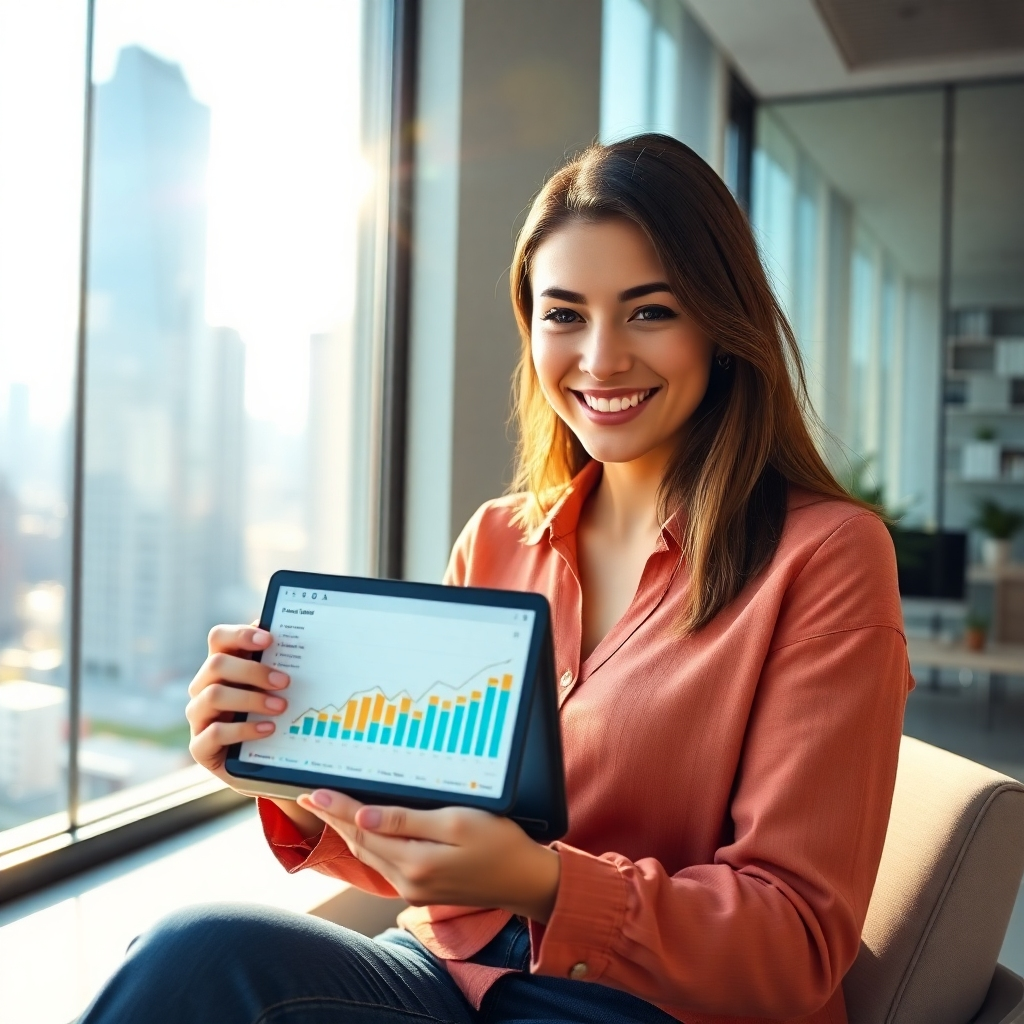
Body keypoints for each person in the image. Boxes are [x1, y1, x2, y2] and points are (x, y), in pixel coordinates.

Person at [81, 134, 911, 1024]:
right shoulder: (497, 538)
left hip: (651, 1010)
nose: (600, 359)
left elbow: (796, 946)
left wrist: (542, 881)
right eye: (564, 315)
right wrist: (281, 770)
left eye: (649, 311)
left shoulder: (825, 556)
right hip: (452, 974)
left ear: (721, 322)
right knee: (193, 954)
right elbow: (434, 848)